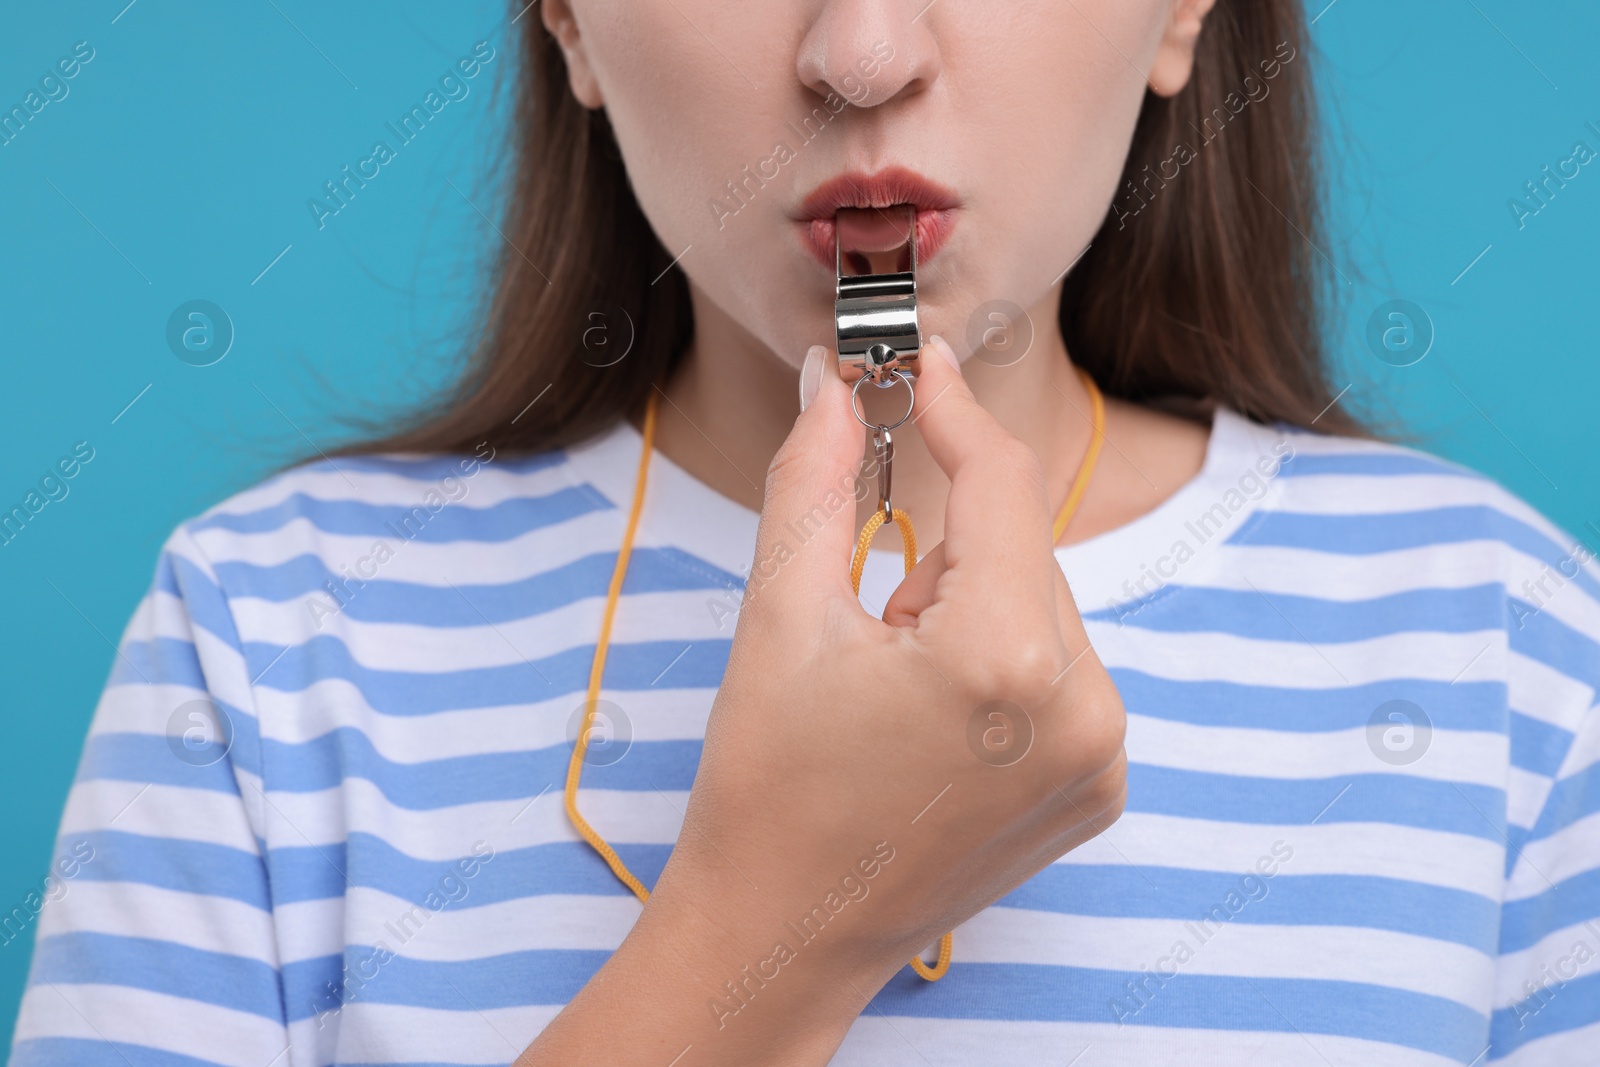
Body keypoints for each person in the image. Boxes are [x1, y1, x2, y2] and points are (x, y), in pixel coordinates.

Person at [12, 0, 1599, 1064]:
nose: (858, 56)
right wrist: (774, 928)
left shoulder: (1513, 656)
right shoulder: (269, 640)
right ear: (567, 21)